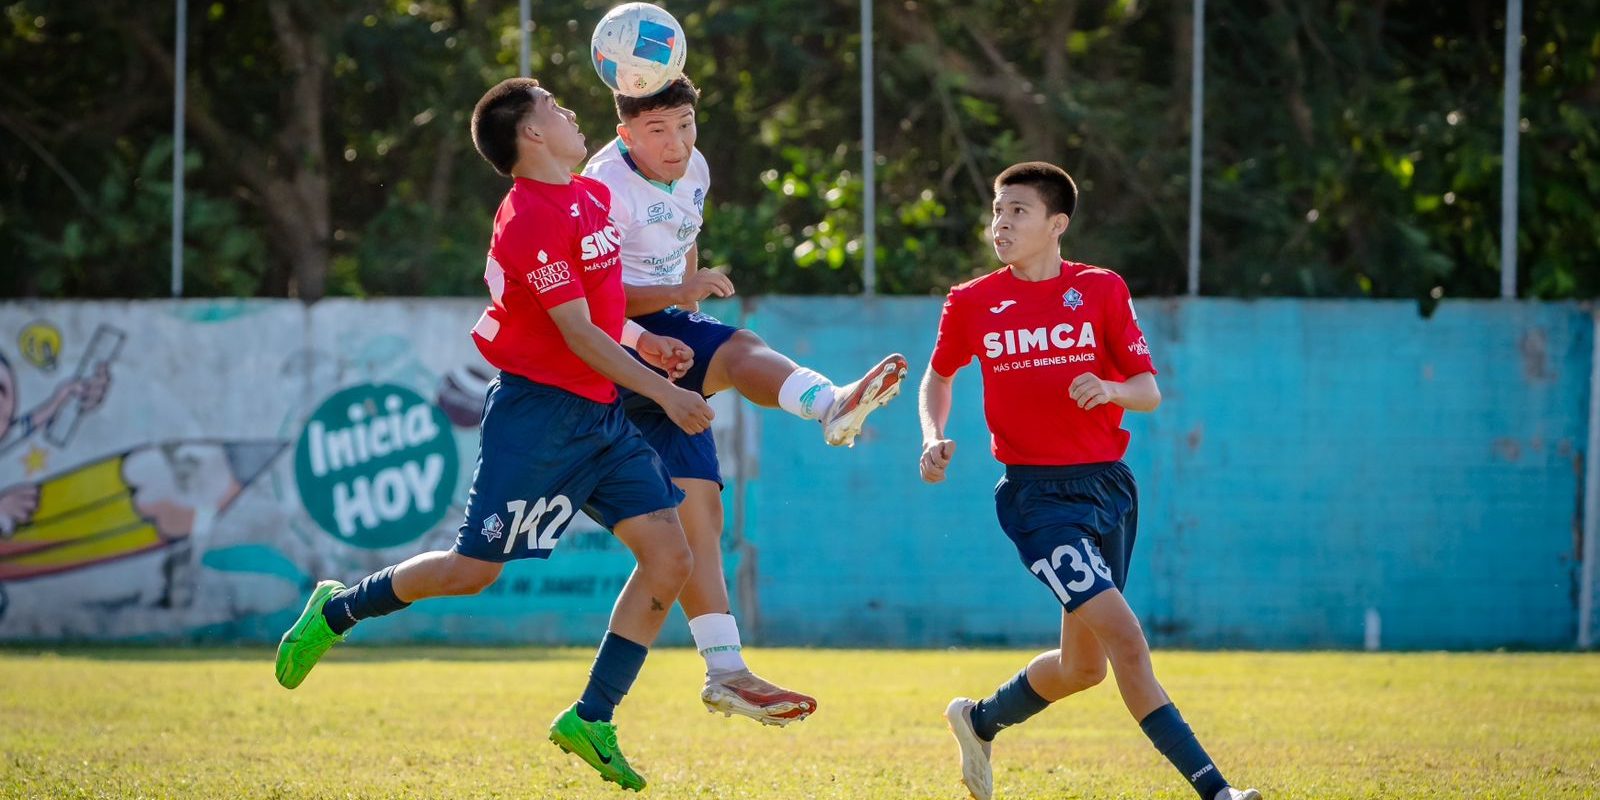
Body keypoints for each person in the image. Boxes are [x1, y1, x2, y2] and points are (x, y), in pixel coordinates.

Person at [274, 77, 715, 793]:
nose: (574, 117)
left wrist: (644, 341)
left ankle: (592, 718)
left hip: (600, 413)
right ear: (532, 135)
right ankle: (339, 608)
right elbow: (573, 334)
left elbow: (600, 313)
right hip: (538, 418)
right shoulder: (528, 220)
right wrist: (663, 389)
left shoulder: (591, 197)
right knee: (471, 572)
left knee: (671, 558)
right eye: (558, 111)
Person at [917, 161, 1261, 800]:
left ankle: (979, 720)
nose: (1001, 223)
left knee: (1083, 668)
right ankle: (1218, 792)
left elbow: (1150, 393)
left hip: (1108, 491)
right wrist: (933, 437)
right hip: (1036, 501)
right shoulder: (972, 301)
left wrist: (1108, 387)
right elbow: (939, 375)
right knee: (1129, 641)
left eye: (1018, 210)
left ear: (1057, 224)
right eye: (997, 210)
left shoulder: (1101, 290)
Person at [580, 76, 907, 725]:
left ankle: (725, 672)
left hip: (668, 331)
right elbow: (591, 300)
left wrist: (685, 295)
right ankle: (827, 402)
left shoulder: (693, 166)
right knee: (737, 349)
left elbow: (683, 242)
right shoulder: (600, 185)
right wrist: (677, 297)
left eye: (684, 125)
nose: (676, 145)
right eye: (656, 131)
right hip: (613, 349)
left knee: (694, 523)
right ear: (623, 135)